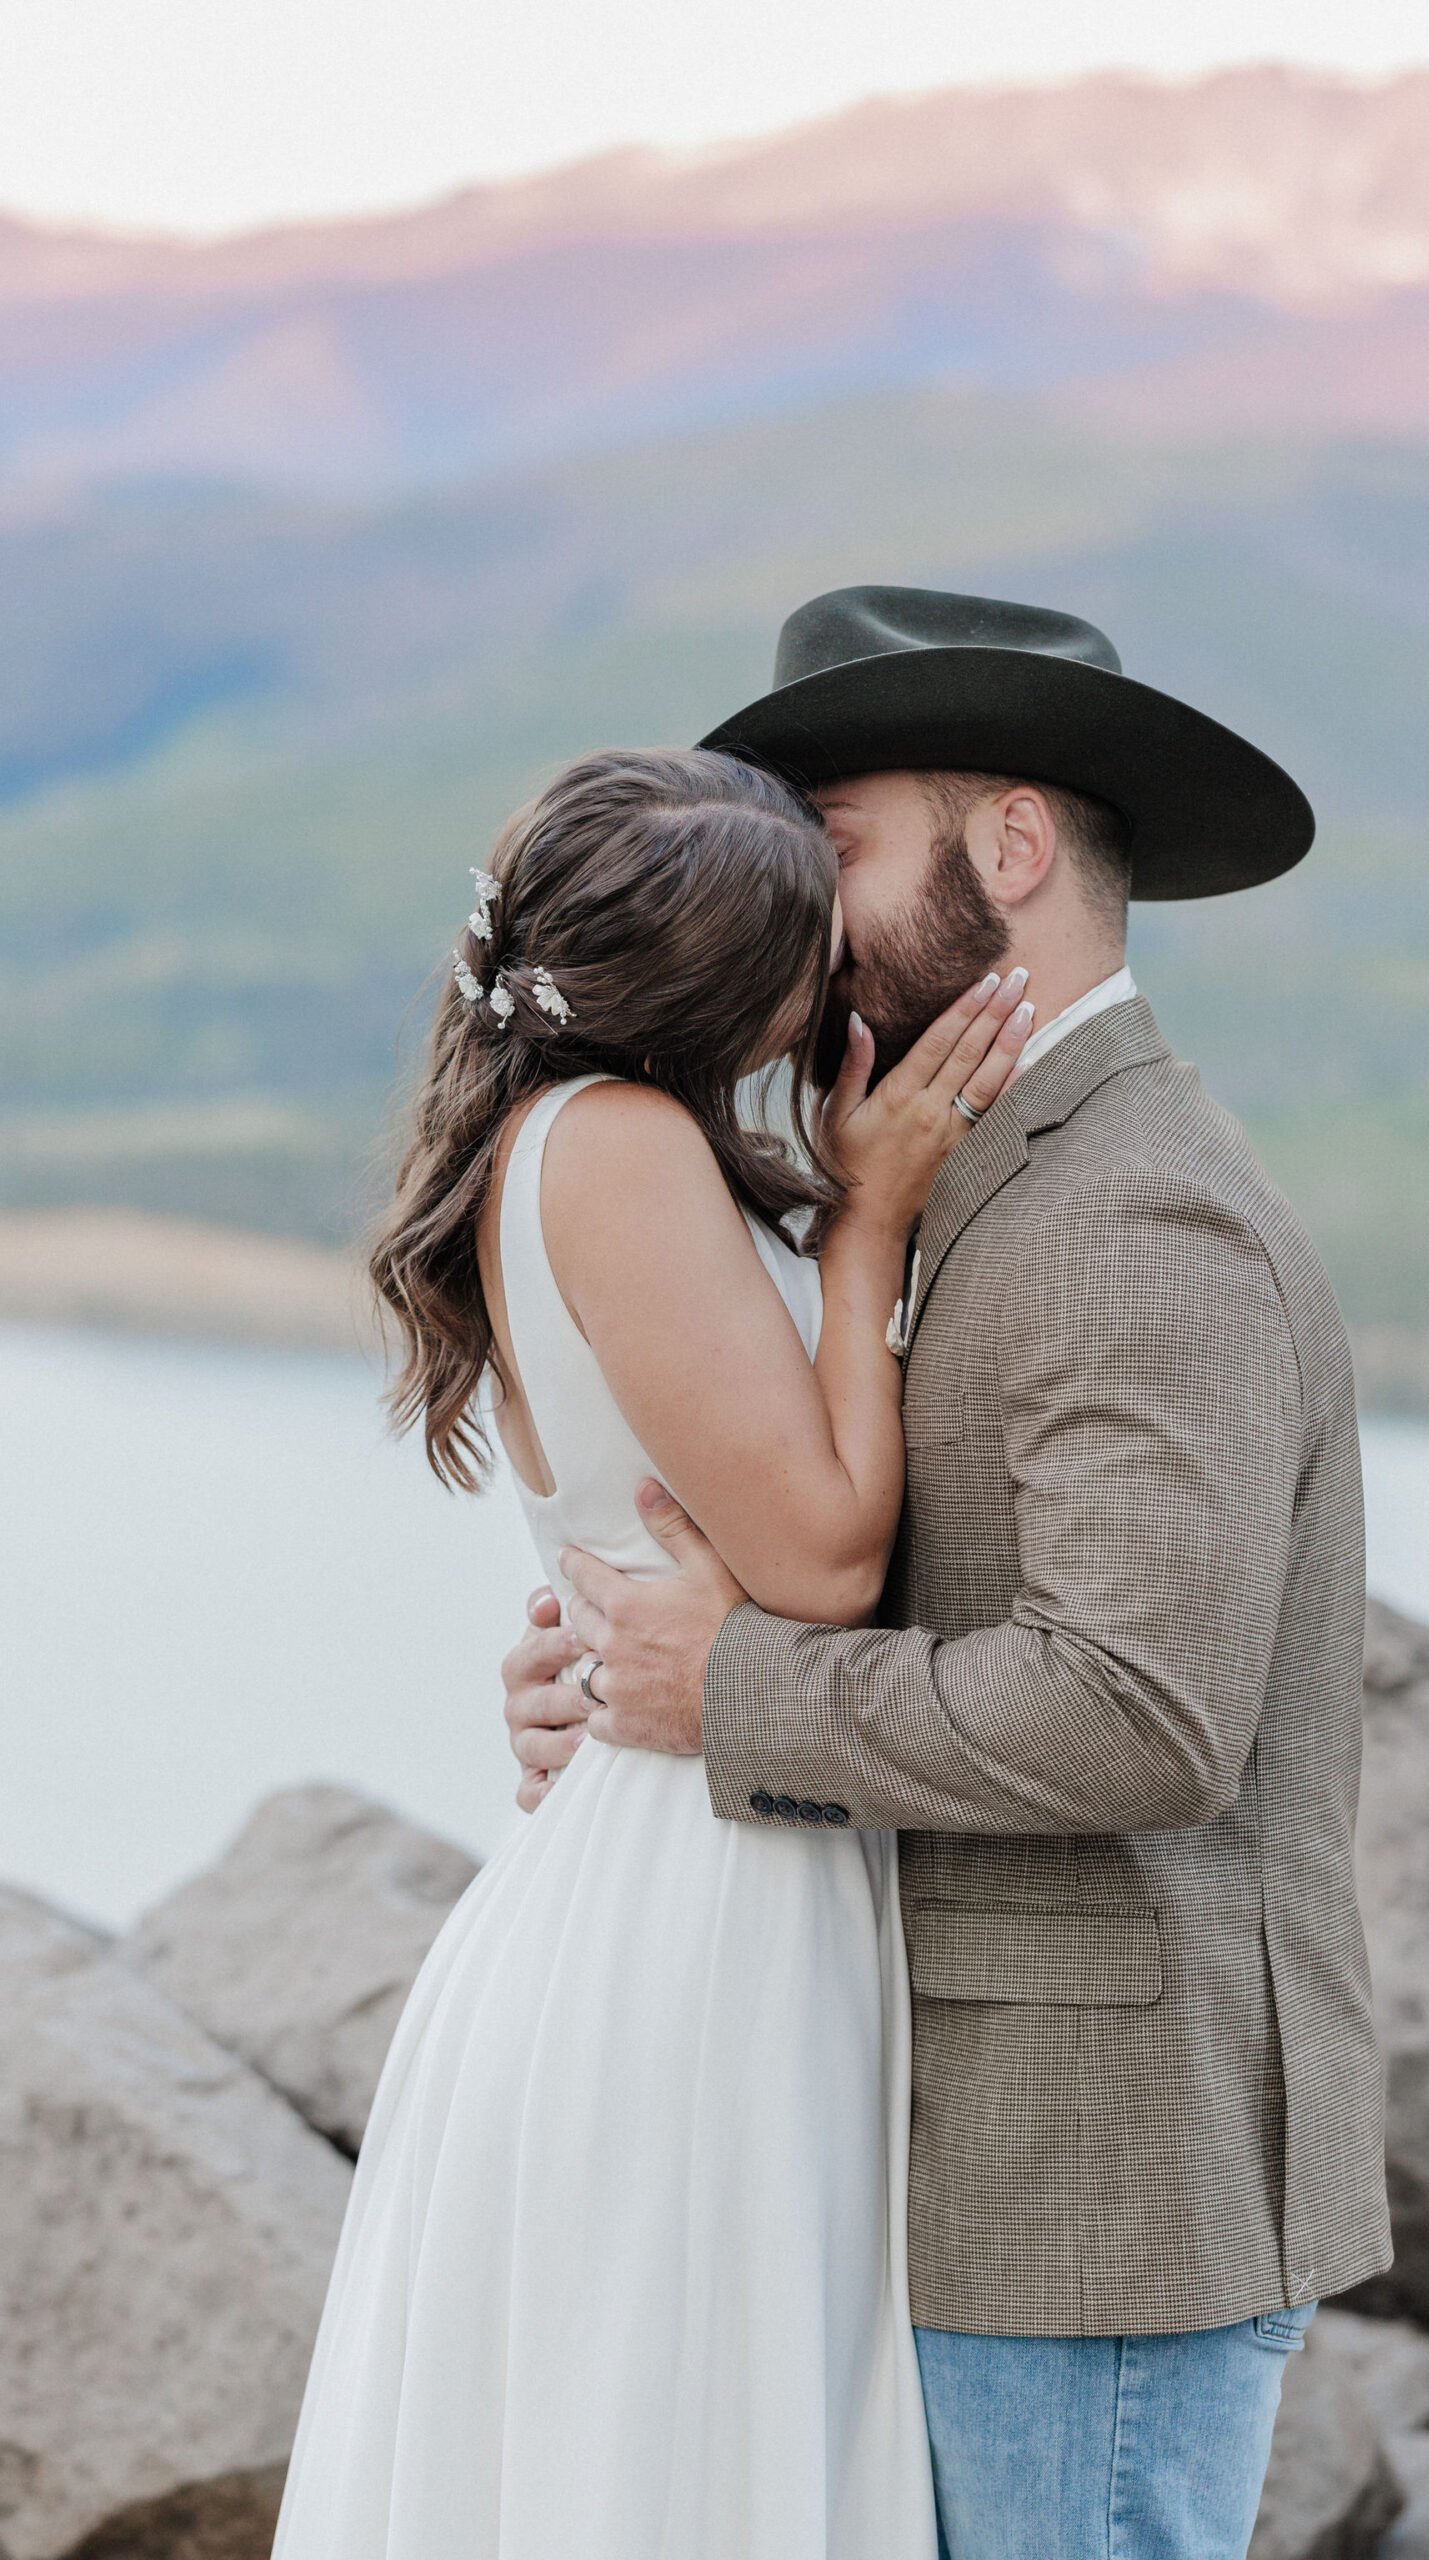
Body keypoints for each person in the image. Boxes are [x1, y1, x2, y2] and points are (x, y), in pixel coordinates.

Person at [503, 586, 1394, 2560]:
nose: (786, 921)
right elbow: (895, 1575)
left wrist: (716, 1695)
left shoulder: (1125, 1214)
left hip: (1089, 2203)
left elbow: (1134, 1710)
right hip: (941, 2157)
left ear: (1005, 851)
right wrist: (629, 1653)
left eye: (829, 851)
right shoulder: (952, 1168)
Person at [273, 744, 1035, 2558]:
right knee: (670, 2455)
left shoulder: (611, 1141)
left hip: (708, 1842)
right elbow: (829, 1558)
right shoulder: (612, 1147)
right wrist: (869, 1228)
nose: (836, 970)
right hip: (695, 1896)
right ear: (724, 983)